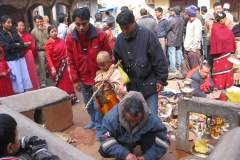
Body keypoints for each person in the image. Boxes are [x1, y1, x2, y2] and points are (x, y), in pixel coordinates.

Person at [66, 7, 112, 138]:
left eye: (84, 24)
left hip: (99, 78)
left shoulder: (100, 35)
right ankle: (94, 121)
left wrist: (106, 74)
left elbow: (109, 55)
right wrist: (75, 80)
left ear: (89, 21)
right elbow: (70, 60)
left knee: (100, 104)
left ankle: (100, 127)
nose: (81, 27)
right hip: (82, 77)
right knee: (88, 104)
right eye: (78, 24)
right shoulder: (70, 38)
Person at [114, 9, 168, 115]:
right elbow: (118, 63)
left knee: (151, 116)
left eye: (126, 28)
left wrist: (161, 80)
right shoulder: (120, 40)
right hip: (131, 87)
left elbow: (159, 59)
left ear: (133, 22)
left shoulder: (148, 35)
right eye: (122, 28)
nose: (124, 31)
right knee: (135, 117)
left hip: (149, 85)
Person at [99, 91, 169, 160]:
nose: (135, 123)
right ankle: (128, 148)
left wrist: (148, 157)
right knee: (103, 151)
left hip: (141, 137)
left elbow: (164, 141)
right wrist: (125, 154)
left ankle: (143, 150)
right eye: (131, 120)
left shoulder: (151, 117)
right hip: (124, 139)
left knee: (152, 140)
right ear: (123, 113)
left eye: (138, 120)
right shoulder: (111, 118)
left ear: (143, 113)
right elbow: (105, 140)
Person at [45, 25, 77, 104]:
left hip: (65, 64)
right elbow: (48, 57)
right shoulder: (48, 43)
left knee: (68, 81)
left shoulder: (61, 40)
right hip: (56, 67)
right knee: (61, 83)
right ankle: (64, 100)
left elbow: (67, 50)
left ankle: (72, 97)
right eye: (52, 32)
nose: (54, 33)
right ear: (49, 34)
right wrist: (52, 68)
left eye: (55, 31)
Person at [0, 15, 32, 94]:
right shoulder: (1, 35)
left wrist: (16, 45)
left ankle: (27, 94)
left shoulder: (14, 32)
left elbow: (21, 44)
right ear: (3, 24)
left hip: (20, 57)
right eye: (8, 22)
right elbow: (6, 47)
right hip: (11, 60)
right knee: (16, 78)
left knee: (25, 76)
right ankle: (19, 95)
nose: (10, 24)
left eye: (11, 22)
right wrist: (16, 45)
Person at [94, 51, 127, 115]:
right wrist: (97, 101)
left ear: (109, 62)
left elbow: (121, 86)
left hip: (115, 100)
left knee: (117, 115)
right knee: (107, 117)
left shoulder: (115, 71)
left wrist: (110, 84)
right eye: (100, 66)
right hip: (104, 102)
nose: (102, 67)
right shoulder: (99, 74)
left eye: (104, 65)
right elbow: (96, 89)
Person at [210, 12, 236, 91]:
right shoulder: (215, 28)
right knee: (219, 76)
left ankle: (227, 91)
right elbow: (223, 38)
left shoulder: (222, 27)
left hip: (227, 56)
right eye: (225, 18)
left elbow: (229, 36)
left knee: (227, 73)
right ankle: (220, 92)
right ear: (222, 20)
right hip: (220, 56)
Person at [17, 21, 40, 90]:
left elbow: (33, 45)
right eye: (20, 25)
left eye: (23, 25)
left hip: (28, 54)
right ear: (16, 27)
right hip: (19, 56)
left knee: (31, 71)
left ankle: (34, 86)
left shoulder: (28, 35)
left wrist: (28, 49)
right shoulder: (14, 36)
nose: (22, 27)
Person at [166, 6, 185, 79]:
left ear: (174, 12)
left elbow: (167, 29)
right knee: (178, 55)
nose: (171, 12)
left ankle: (173, 70)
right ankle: (179, 69)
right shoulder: (182, 19)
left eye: (172, 11)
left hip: (172, 40)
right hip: (179, 40)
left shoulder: (172, 20)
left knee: (172, 55)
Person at [31, 15, 48, 88]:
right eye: (37, 22)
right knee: (42, 67)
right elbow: (33, 43)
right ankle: (43, 81)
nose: (39, 23)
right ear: (35, 22)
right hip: (40, 51)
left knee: (50, 64)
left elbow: (49, 37)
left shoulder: (46, 28)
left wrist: (43, 31)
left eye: (40, 21)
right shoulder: (33, 32)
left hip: (49, 49)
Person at [184, 5, 203, 69]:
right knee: (190, 68)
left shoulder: (197, 22)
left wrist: (193, 49)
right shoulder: (189, 22)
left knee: (195, 68)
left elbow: (197, 37)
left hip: (193, 50)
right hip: (187, 48)